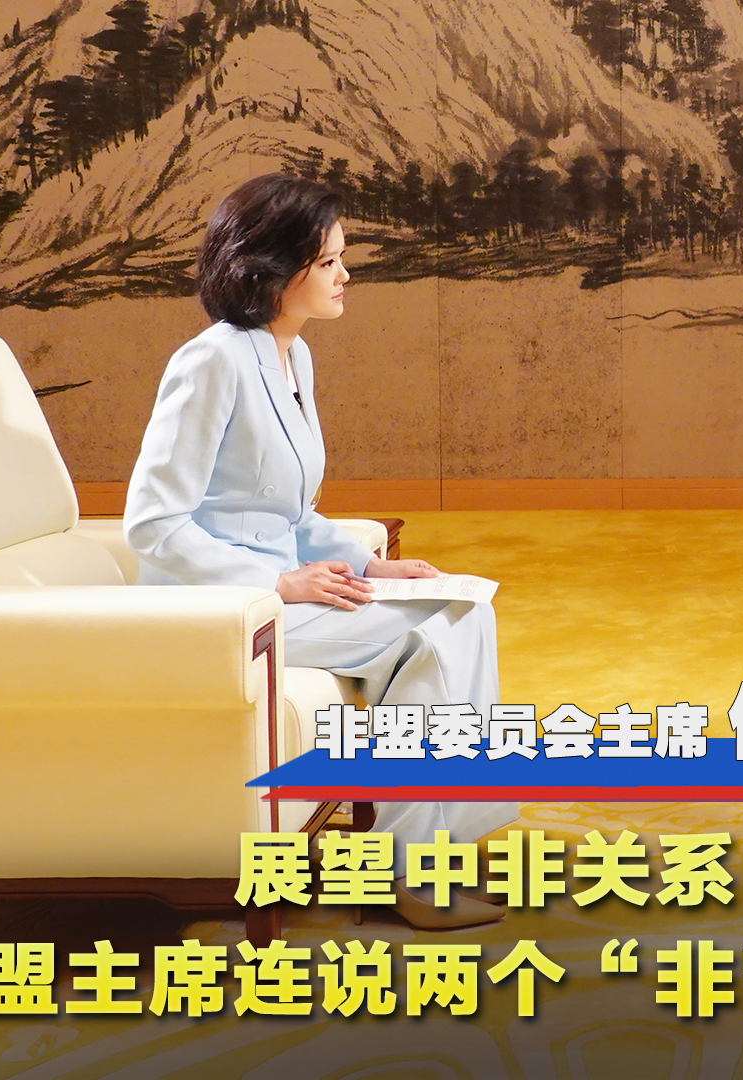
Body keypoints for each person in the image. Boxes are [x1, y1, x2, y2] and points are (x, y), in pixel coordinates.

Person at [125, 173, 517, 928]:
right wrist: (276, 582)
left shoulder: (291, 355)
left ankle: (432, 852)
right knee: (429, 634)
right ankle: (408, 874)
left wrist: (369, 564)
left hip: (283, 590)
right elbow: (153, 523)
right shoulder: (211, 362)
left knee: (463, 613)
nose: (346, 275)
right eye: (329, 261)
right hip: (219, 603)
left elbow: (291, 508)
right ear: (272, 269)